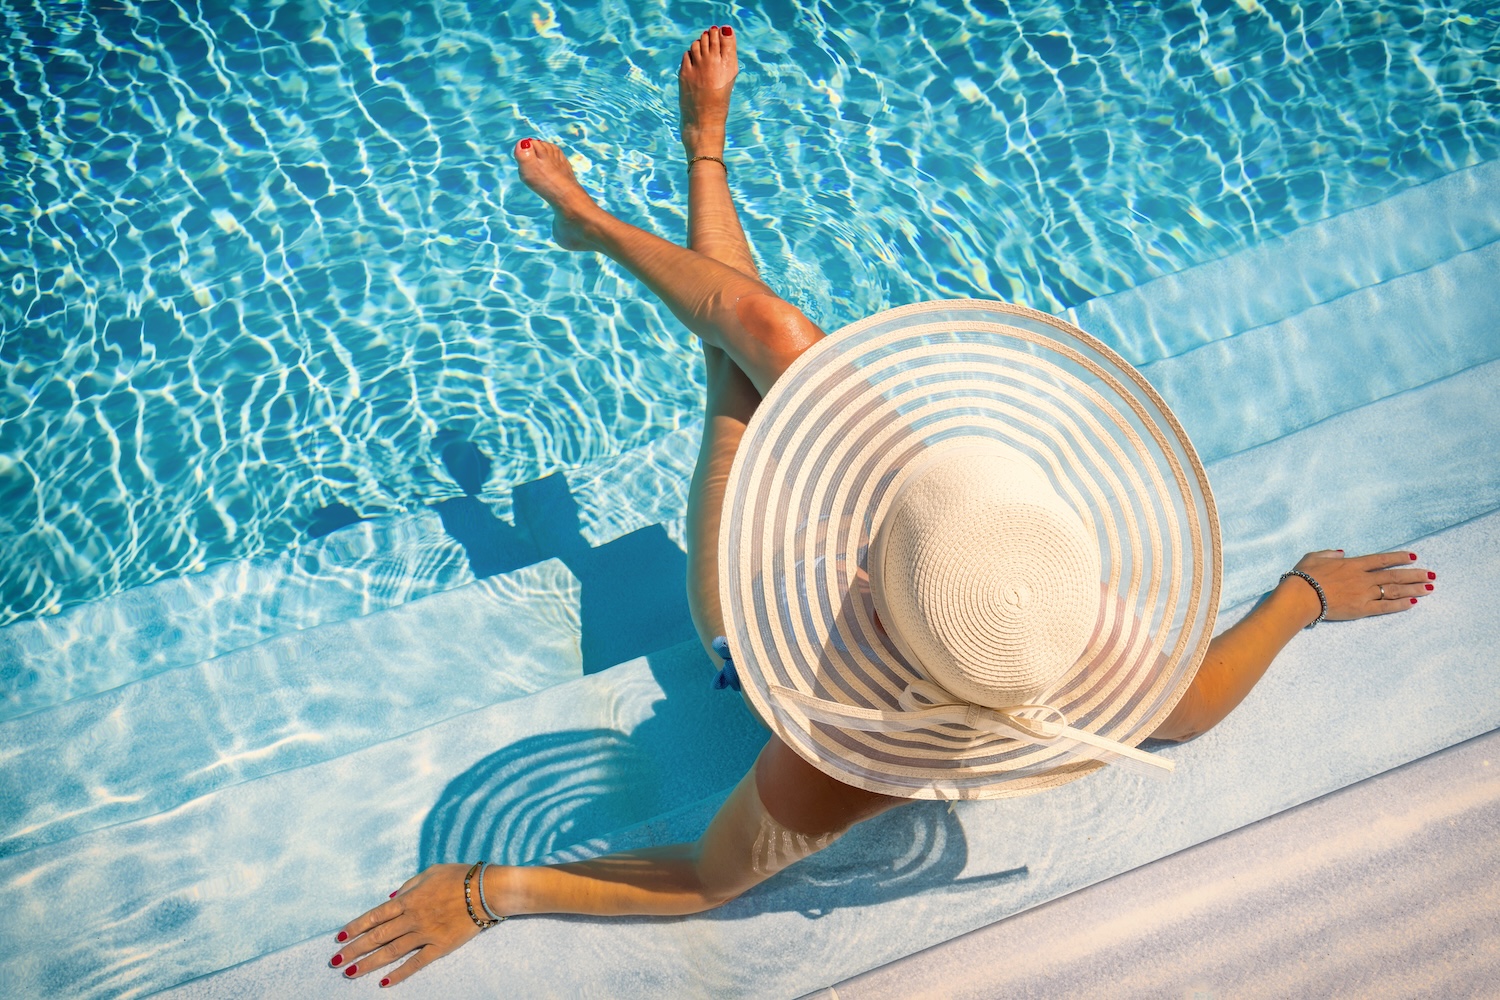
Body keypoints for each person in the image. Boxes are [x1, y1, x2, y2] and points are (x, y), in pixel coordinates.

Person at [328, 26, 1435, 988]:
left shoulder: (843, 756)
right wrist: (1299, 598)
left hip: (757, 618)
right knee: (772, 338)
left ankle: (621, 206)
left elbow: (707, 879)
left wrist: (490, 891)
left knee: (736, 388)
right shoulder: (1043, 601)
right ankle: (668, 187)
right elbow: (1186, 707)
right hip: (922, 542)